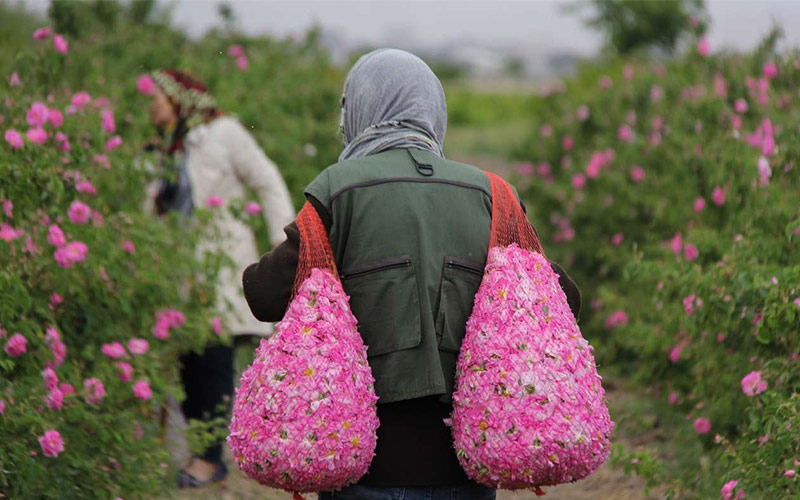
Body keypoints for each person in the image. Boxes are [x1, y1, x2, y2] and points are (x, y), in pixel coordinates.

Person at [241, 49, 581, 500]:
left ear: (359, 109)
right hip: (466, 465)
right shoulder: (492, 194)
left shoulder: (339, 190)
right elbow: (564, 302)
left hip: (364, 466)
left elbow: (263, 295)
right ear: (432, 109)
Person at [145, 69, 295, 488]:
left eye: (154, 96)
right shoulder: (163, 149)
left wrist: (284, 245)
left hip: (220, 266)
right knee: (188, 361)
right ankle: (203, 452)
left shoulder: (223, 134)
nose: (148, 104)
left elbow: (267, 181)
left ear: (178, 98)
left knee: (213, 357)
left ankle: (210, 458)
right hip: (177, 272)